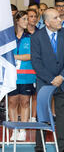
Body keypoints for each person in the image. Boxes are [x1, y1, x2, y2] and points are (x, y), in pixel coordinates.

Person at [31, 8, 64, 152]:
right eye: (55, 18)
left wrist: (62, 76)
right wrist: (51, 79)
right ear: (47, 23)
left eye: (59, 17)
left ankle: (62, 147)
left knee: (63, 117)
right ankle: (40, 146)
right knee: (42, 116)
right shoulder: (36, 37)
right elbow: (36, 62)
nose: (60, 20)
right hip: (45, 83)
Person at [9, 11, 36, 141]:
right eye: (24, 19)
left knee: (25, 102)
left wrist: (14, 57)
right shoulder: (8, 37)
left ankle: (23, 130)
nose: (27, 21)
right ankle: (14, 129)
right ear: (17, 21)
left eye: (27, 19)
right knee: (12, 102)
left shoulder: (30, 37)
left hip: (27, 75)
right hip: (12, 75)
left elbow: (31, 56)